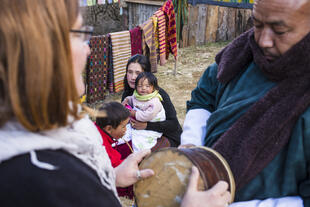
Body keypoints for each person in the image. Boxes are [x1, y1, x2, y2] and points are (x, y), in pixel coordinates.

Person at [0, 0, 231, 206]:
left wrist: (112, 176)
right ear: (43, 50)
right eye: (81, 35)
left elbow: (173, 127)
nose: (89, 49)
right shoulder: (45, 176)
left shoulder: (54, 138)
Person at [181, 0, 310, 206]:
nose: (263, 41)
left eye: (279, 30)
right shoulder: (240, 55)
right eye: (257, 25)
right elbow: (203, 99)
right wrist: (193, 148)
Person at [122, 54, 182, 148]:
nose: (133, 77)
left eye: (137, 73)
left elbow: (173, 124)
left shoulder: (158, 96)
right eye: (130, 72)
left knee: (141, 154)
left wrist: (146, 125)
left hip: (166, 136)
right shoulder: (128, 95)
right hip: (139, 134)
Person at [122, 72, 166, 152]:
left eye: (147, 86)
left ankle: (138, 153)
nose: (143, 88)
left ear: (153, 87)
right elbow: (133, 99)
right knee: (125, 133)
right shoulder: (137, 96)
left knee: (140, 140)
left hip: (151, 126)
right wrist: (127, 100)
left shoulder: (154, 101)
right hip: (137, 123)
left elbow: (148, 115)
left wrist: (134, 113)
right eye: (140, 86)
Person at [95, 102, 130, 168]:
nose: (125, 129)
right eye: (123, 126)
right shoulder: (105, 148)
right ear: (108, 128)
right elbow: (119, 167)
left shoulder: (95, 126)